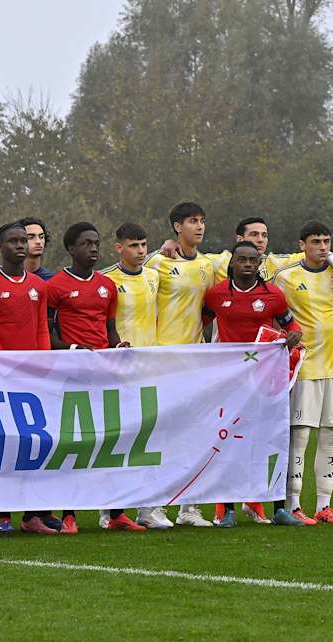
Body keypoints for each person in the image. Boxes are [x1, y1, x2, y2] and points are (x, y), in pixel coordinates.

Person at [202, 241, 304, 527]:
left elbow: (291, 326)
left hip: (266, 378)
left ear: (259, 264)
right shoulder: (216, 294)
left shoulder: (273, 295)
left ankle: (280, 508)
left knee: (271, 439)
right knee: (230, 440)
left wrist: (294, 335)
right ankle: (228, 511)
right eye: (242, 259)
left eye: (253, 260)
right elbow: (201, 323)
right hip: (231, 379)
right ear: (232, 263)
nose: (248, 264)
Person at [45, 222, 132, 535]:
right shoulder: (55, 286)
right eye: (86, 244)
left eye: (96, 243)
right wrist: (71, 348)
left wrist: (118, 346)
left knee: (112, 441)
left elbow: (110, 331)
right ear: (71, 249)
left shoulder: (107, 286)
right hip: (71, 375)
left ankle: (116, 512)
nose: (93, 249)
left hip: (104, 374)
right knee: (75, 443)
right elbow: (48, 335)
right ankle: (68, 514)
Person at [0, 222, 55, 535]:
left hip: (32, 380)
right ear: (0, 246)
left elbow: (41, 329)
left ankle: (32, 516)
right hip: (0, 379)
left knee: (34, 444)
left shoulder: (38, 286)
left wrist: (44, 364)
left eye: (23, 240)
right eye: (13, 241)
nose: (20, 246)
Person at [272, 222, 333, 526]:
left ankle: (324, 505)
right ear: (301, 244)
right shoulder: (286, 275)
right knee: (300, 437)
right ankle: (293, 504)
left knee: (331, 436)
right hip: (303, 367)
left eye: (327, 241)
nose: (322, 246)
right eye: (316, 241)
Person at [144, 202, 216, 527]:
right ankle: (152, 506)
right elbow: (124, 274)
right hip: (162, 359)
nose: (199, 227)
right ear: (177, 227)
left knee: (195, 434)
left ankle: (190, 507)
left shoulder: (208, 264)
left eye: (201, 221)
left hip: (195, 360)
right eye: (191, 221)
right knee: (161, 435)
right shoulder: (158, 262)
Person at [100, 222, 171, 530]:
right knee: (116, 440)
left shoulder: (154, 275)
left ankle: (149, 509)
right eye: (133, 246)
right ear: (119, 248)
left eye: (144, 245)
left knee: (150, 439)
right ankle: (109, 510)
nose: (140, 251)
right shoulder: (106, 280)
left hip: (149, 368)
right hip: (117, 370)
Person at [20, 216, 54, 280]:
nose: (38, 241)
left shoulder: (52, 280)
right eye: (31, 237)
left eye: (41, 237)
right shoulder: (3, 279)